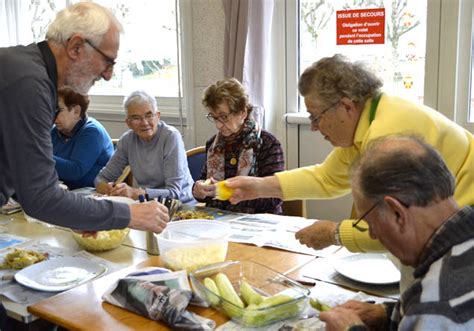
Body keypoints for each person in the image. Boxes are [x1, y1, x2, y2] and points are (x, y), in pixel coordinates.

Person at [225, 54, 474, 251]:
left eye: (316, 116)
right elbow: (327, 178)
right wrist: (257, 186)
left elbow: (389, 226)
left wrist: (334, 233)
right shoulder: (370, 116)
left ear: (345, 105)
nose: (313, 126)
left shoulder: (386, 136)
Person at [0, 3, 168, 232]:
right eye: (108, 61)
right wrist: (128, 214)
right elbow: (40, 197)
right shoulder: (30, 84)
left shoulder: (25, 69)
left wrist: (84, 215)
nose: (109, 76)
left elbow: (24, 181)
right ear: (76, 47)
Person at [319, 135, 474, 331]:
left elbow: (434, 311)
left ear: (397, 213)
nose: (374, 235)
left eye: (369, 222)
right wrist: (388, 313)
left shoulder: (435, 303)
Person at [192, 78, 284, 214]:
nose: (218, 125)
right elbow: (203, 182)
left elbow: (275, 196)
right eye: (214, 117)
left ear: (243, 112)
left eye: (223, 117)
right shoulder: (213, 144)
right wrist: (198, 189)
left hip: (258, 222)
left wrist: (232, 193)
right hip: (218, 220)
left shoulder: (268, 144)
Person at [95, 90, 194, 203]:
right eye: (136, 118)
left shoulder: (171, 137)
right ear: (128, 123)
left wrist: (136, 192)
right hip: (148, 203)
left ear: (157, 116)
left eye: (149, 115)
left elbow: (175, 192)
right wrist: (109, 189)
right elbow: (100, 179)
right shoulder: (127, 140)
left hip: (181, 204)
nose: (144, 123)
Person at [51, 86, 114, 189]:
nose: (52, 115)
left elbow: (75, 171)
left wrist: (39, 155)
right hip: (64, 191)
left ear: (76, 111)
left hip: (91, 193)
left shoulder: (92, 132)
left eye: (58, 110)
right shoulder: (55, 131)